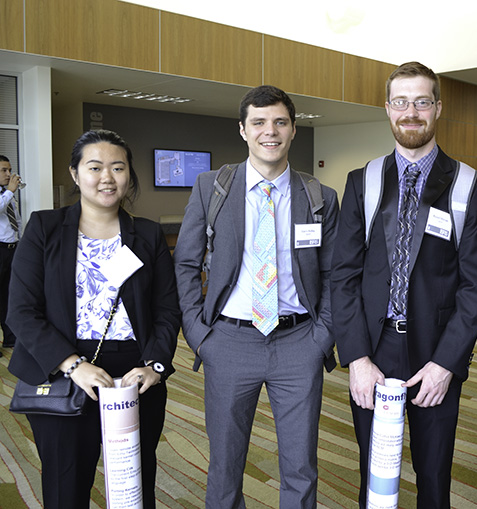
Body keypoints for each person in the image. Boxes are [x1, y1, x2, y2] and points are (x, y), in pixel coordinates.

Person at [330, 61, 477, 508]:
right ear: (387, 109)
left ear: (438, 108)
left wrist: (446, 363)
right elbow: (343, 276)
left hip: (435, 352)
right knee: (374, 471)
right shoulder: (363, 181)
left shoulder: (467, 185)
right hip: (374, 348)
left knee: (434, 476)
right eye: (401, 102)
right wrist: (356, 358)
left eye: (422, 102)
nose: (411, 112)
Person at [173, 85, 339, 509]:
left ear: (293, 130)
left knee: (300, 465)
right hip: (228, 341)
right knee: (225, 465)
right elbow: (186, 263)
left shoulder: (319, 197)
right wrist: (198, 334)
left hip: (299, 343)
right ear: (243, 130)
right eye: (259, 122)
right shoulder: (212, 187)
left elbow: (335, 274)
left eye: (280, 122)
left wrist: (322, 336)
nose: (271, 131)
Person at [7, 130, 180, 509]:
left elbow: (167, 309)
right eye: (95, 167)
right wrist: (72, 365)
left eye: (118, 167)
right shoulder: (44, 228)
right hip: (62, 373)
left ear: (129, 174)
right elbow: (21, 311)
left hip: (135, 376)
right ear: (75, 173)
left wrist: (154, 366)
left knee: (134, 488)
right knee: (65, 488)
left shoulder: (147, 234)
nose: (107, 177)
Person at [0, 155, 22, 349]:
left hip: (12, 249)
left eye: (9, 170)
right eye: (3, 170)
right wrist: (9, 192)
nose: (9, 174)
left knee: (9, 295)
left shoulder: (7, 194)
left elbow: (16, 220)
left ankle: (9, 338)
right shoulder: (7, 193)